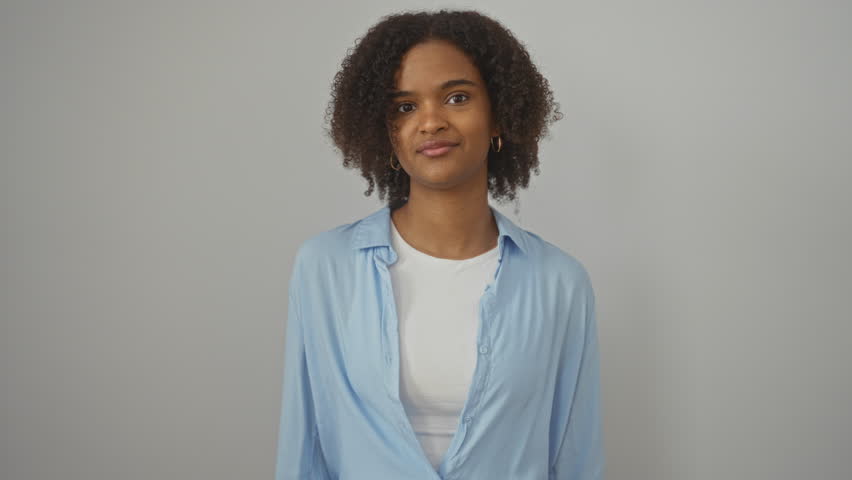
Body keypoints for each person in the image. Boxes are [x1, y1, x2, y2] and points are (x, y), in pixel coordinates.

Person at [275, 9, 604, 480]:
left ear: (498, 118)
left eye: (456, 97)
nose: (430, 122)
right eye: (405, 107)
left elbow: (576, 457)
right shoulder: (325, 268)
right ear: (386, 132)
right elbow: (303, 447)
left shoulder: (559, 282)